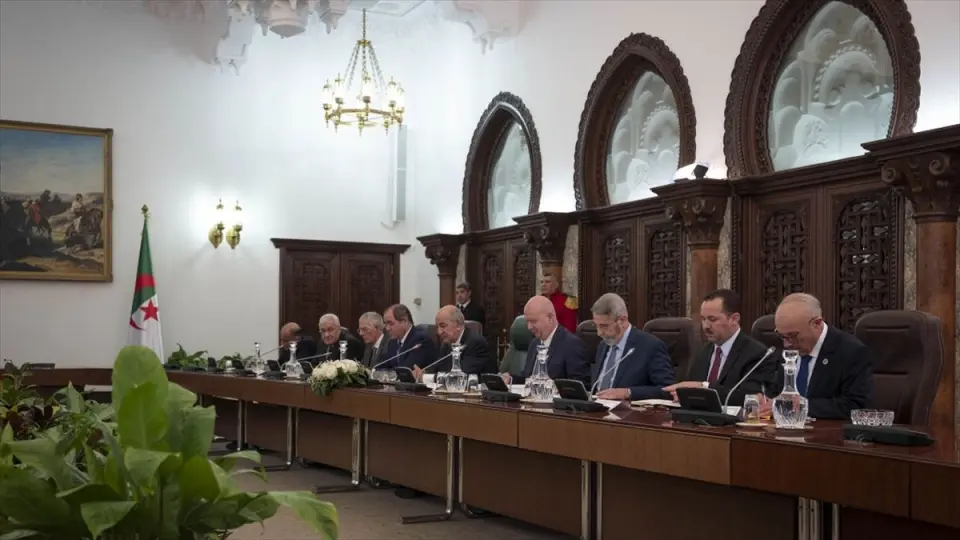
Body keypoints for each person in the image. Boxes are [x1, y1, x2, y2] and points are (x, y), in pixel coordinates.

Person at [759, 293, 874, 420]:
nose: (787, 344)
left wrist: (803, 406)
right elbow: (775, 392)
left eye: (792, 336)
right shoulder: (784, 347)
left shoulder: (850, 351)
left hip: (827, 430)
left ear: (817, 324)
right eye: (782, 336)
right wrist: (765, 400)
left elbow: (857, 405)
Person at [663, 289, 773, 406]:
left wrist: (703, 387)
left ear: (734, 319)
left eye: (712, 319)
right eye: (703, 319)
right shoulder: (703, 352)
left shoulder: (757, 353)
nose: (705, 326)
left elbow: (750, 397)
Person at [589, 293, 675, 401]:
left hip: (629, 409)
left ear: (622, 320)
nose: (599, 333)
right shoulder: (603, 345)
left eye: (604, 326)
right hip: (596, 407)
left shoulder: (650, 346)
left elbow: (668, 390)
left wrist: (628, 392)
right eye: (596, 325)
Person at [502, 295, 590, 385]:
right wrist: (510, 379)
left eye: (533, 321)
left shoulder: (572, 345)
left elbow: (580, 385)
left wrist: (554, 388)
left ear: (550, 318)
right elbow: (528, 379)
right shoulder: (534, 344)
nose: (529, 327)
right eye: (527, 321)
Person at [415, 305, 494, 380]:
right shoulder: (446, 345)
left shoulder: (476, 343)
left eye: (443, 326)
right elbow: (439, 369)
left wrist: (425, 378)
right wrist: (422, 373)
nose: (439, 332)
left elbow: (460, 377)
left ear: (458, 325)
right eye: (437, 327)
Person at [382, 304, 437, 370]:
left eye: (391, 324)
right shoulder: (392, 342)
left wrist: (388, 373)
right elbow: (381, 366)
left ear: (404, 321)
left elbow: (406, 369)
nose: (387, 328)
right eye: (386, 324)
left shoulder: (421, 340)